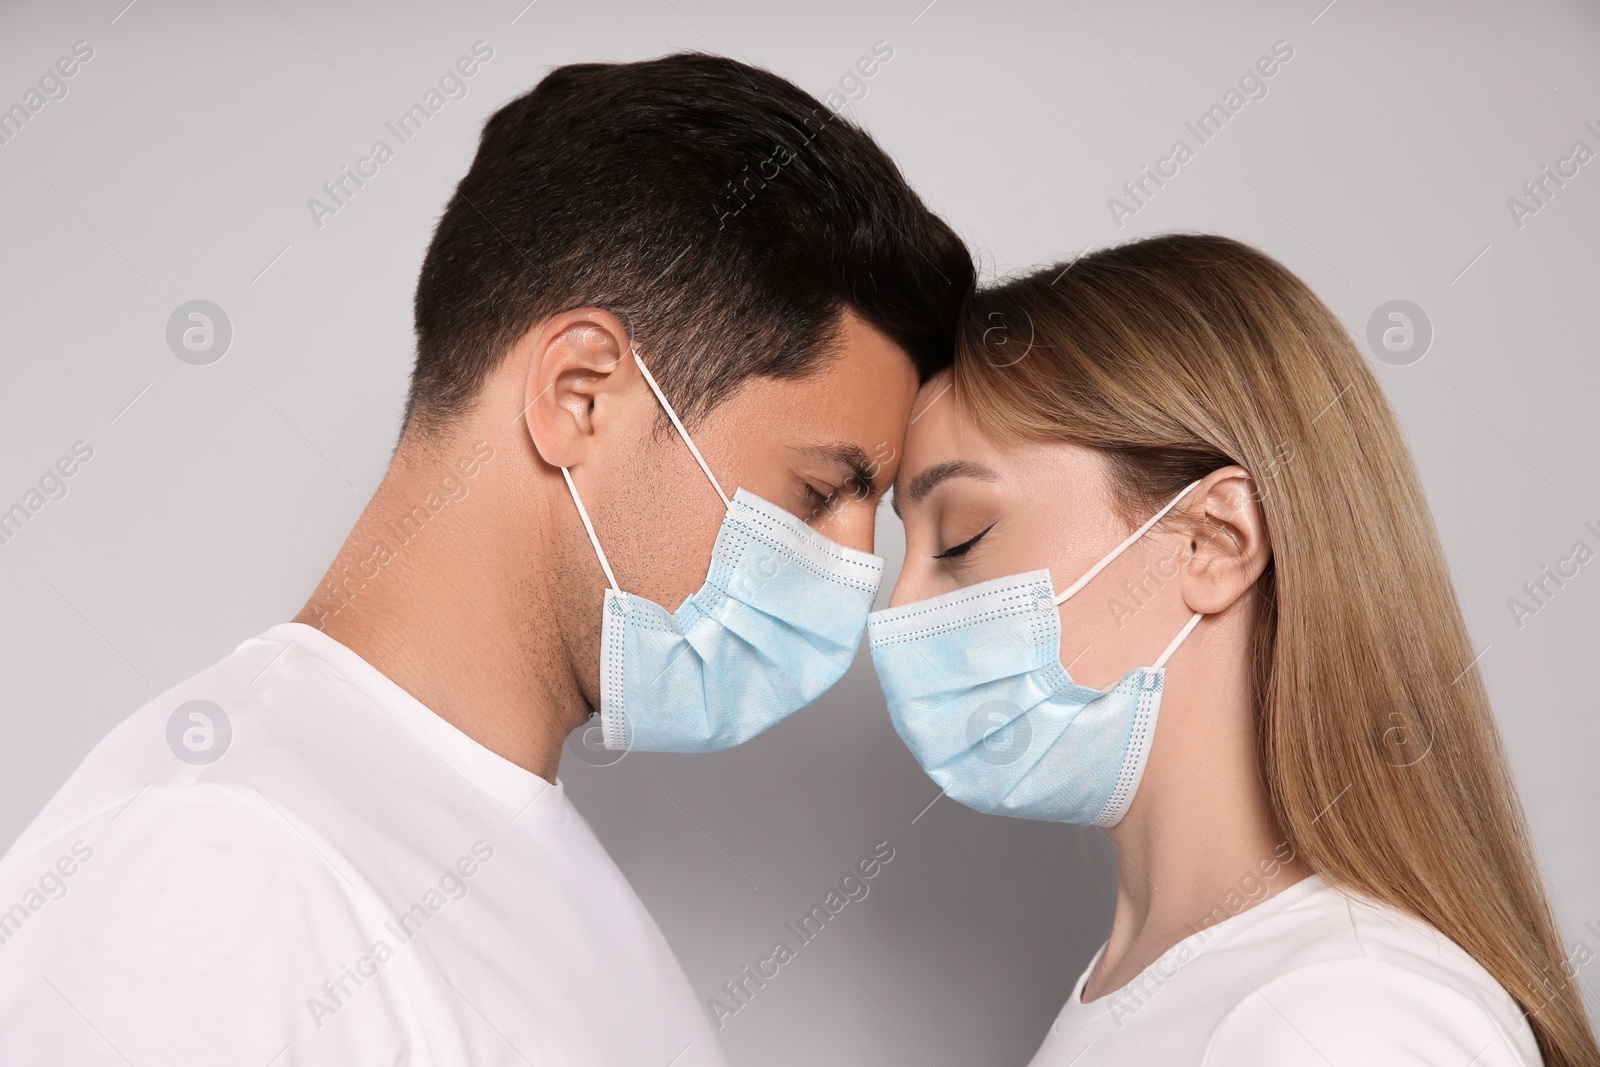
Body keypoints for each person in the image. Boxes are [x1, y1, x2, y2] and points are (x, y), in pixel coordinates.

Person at [0, 54, 971, 1064]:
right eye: (819, 491)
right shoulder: (220, 860)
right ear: (579, 394)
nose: (855, 577)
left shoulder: (540, 871)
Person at [871, 235, 1597, 1066]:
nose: (900, 609)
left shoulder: (1345, 1017)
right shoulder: (1152, 986)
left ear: (1215, 540)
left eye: (963, 535)